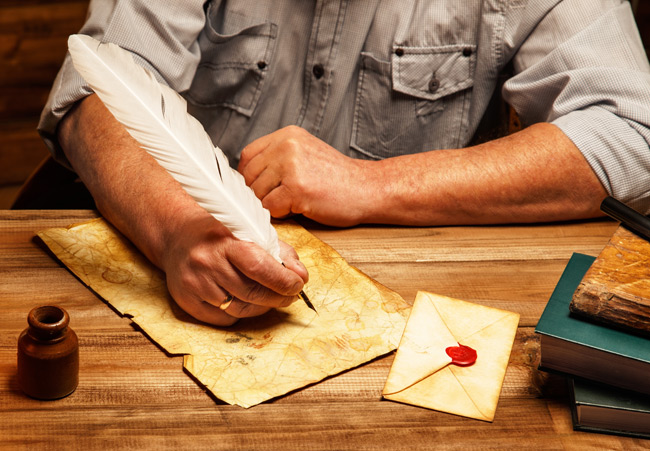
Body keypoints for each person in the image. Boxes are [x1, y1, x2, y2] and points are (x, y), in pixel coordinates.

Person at [39, 1, 650, 325]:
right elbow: (96, 94)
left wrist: (366, 184)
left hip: (412, 298)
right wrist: (175, 226)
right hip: (172, 260)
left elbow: (632, 131)